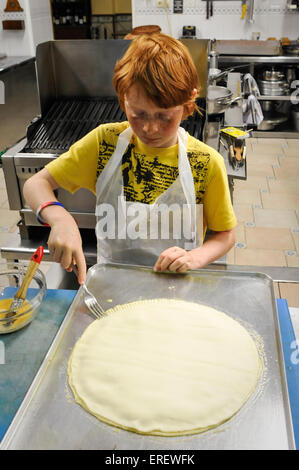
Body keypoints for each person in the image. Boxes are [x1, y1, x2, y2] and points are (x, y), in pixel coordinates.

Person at [23, 33, 236, 285]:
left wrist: (196, 257)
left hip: (177, 291)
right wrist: (58, 217)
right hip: (112, 286)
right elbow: (36, 183)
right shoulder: (105, 143)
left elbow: (225, 234)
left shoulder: (205, 162)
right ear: (123, 101)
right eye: (139, 114)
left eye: (164, 117)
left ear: (188, 103)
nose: (150, 128)